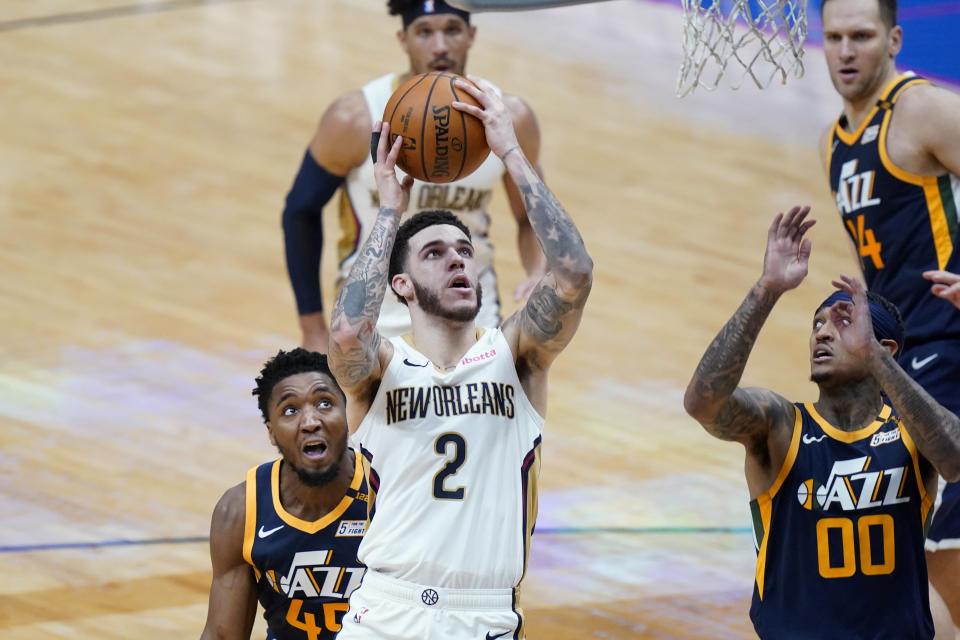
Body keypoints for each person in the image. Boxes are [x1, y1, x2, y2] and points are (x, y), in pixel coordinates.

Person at [326, 76, 592, 639]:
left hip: (484, 613)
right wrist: (388, 211)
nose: (457, 262)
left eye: (465, 252)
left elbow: (573, 273)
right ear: (401, 283)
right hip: (386, 610)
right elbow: (348, 331)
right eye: (435, 253)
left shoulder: (516, 359)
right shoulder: (380, 374)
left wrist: (512, 152)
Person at [683, 207, 960, 639]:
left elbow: (956, 459)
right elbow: (702, 402)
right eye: (816, 325)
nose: (822, 333)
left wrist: (878, 362)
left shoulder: (912, 429)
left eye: (842, 322)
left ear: (883, 346)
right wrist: (767, 289)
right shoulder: (780, 425)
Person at [283, 0, 545, 353]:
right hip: (372, 331)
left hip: (473, 327)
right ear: (403, 39)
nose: (440, 45)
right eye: (425, 32)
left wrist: (536, 273)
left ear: (471, 35)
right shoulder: (355, 118)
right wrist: (312, 328)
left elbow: (531, 217)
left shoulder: (507, 118)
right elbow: (299, 212)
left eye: (451, 29)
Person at [819, 0, 960, 627]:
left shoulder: (922, 108)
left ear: (895, 39)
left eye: (862, 36)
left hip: (951, 345)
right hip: (901, 364)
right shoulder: (834, 144)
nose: (846, 51)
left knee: (939, 552)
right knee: (896, 555)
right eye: (834, 37)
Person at [200, 349, 368, 640]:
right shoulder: (241, 510)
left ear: (347, 412)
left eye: (325, 403)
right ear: (271, 432)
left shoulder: (388, 491)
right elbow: (222, 634)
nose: (311, 421)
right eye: (290, 410)